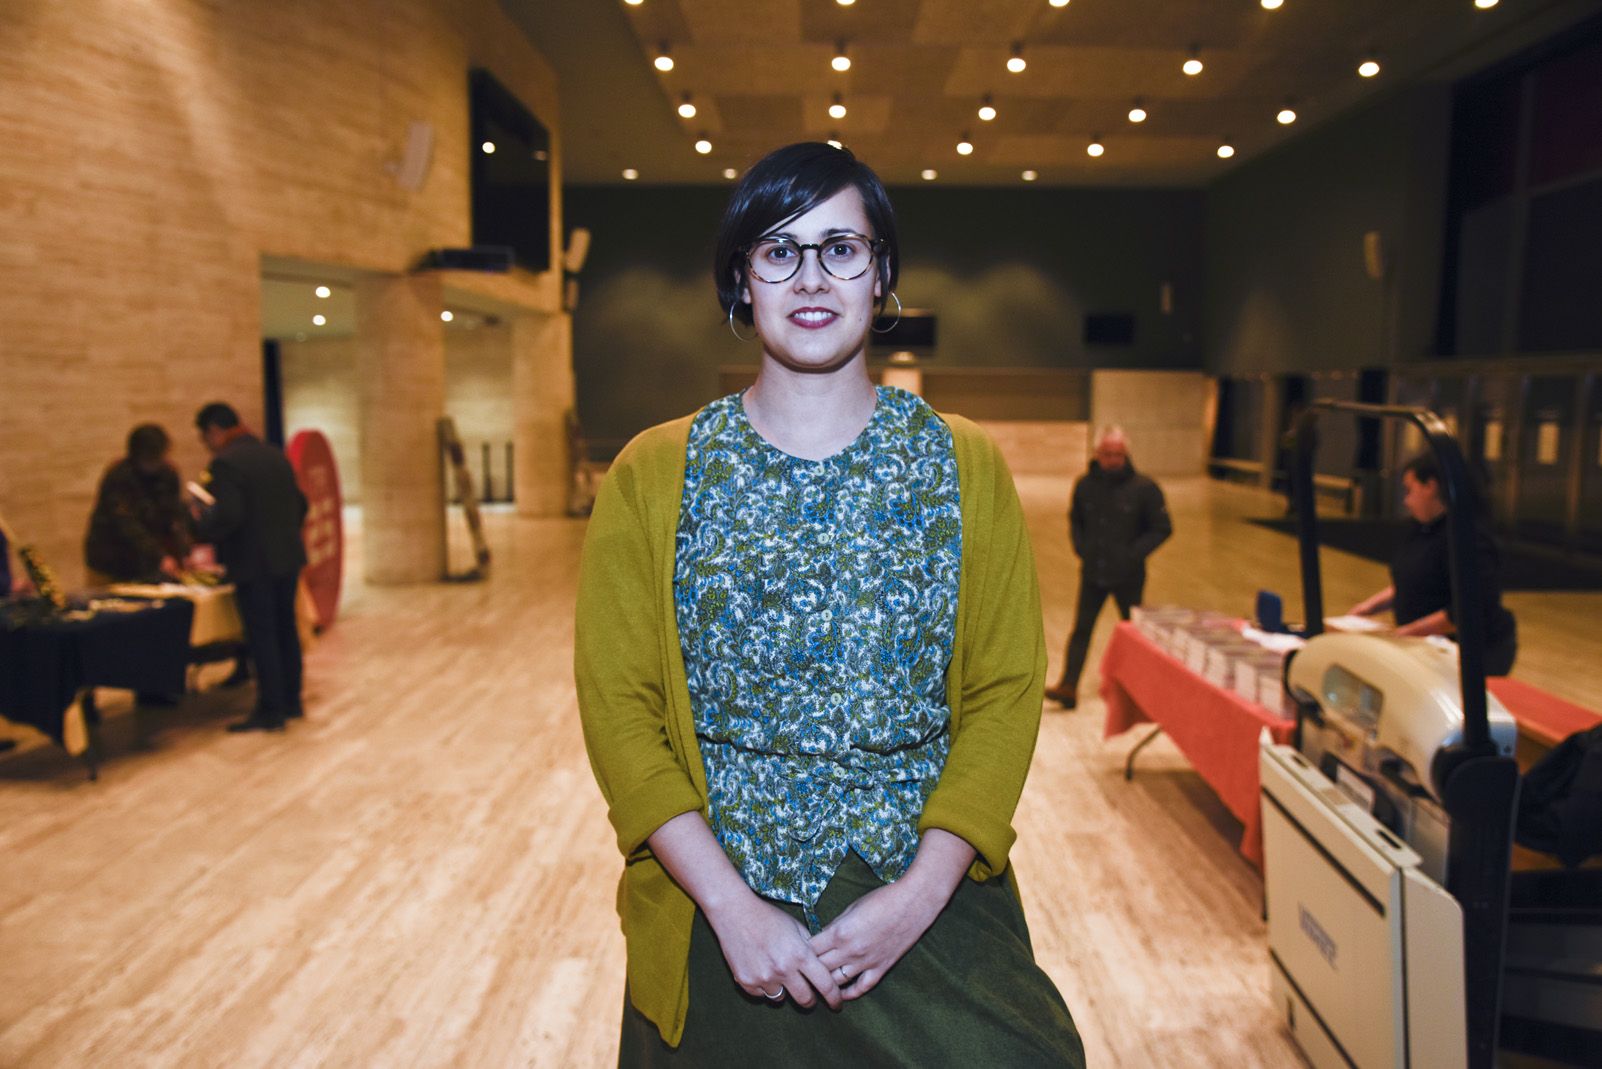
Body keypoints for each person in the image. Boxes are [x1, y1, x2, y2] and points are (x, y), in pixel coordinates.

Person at [575, 142, 1083, 1065]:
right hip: (721, 911)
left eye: (841, 248)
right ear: (742, 279)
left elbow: (1007, 688)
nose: (811, 277)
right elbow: (620, 707)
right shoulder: (653, 472)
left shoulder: (962, 463)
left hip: (923, 896)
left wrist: (918, 896)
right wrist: (731, 907)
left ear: (880, 274)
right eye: (779, 250)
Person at [192, 403, 308, 732]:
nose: (207, 445)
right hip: (287, 556)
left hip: (254, 563)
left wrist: (201, 526)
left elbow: (230, 514)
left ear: (215, 431)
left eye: (205, 438)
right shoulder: (274, 455)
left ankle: (271, 709)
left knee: (263, 636)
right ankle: (292, 701)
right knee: (286, 629)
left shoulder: (226, 463)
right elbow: (301, 504)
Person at [1348, 452, 1518, 675]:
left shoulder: (1469, 539)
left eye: (1410, 491)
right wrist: (1368, 608)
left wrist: (1406, 634)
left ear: (1430, 486)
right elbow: (1414, 582)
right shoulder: (1423, 528)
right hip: (1427, 643)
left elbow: (1468, 609)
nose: (1406, 501)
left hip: (1470, 651)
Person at [1045, 426, 1172, 709]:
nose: (1113, 460)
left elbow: (1162, 528)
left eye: (1118, 454)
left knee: (1134, 634)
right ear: (1097, 454)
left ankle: (1141, 691)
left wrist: (1133, 554)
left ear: (1126, 455)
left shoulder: (1144, 488)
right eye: (1107, 454)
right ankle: (1068, 686)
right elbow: (1076, 520)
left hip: (1129, 575)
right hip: (1093, 572)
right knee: (1081, 629)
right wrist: (1081, 548)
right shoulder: (1085, 486)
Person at [83, 423, 192, 584]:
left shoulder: (167, 474)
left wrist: (184, 552)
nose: (156, 463)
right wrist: (159, 556)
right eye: (150, 459)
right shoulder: (119, 477)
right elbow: (125, 523)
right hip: (112, 558)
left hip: (147, 562)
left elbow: (175, 515)